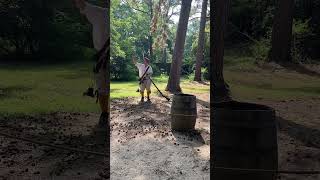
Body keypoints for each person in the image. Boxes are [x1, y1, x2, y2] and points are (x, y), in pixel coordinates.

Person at [73, 0, 109, 129]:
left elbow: (80, 4)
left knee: (104, 86)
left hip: (106, 57)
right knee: (102, 86)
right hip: (102, 57)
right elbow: (80, 4)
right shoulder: (99, 12)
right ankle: (105, 113)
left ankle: (106, 114)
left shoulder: (99, 12)